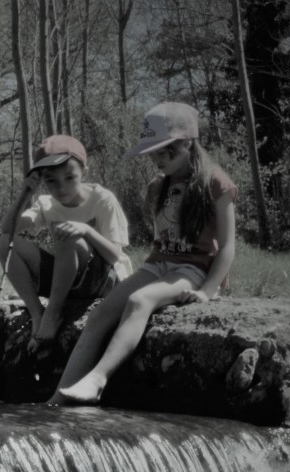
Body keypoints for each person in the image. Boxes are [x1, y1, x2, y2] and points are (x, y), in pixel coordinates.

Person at [50, 102, 237, 405]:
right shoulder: (157, 187)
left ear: (187, 143)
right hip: (159, 265)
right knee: (102, 311)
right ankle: (58, 396)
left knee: (140, 301)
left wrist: (207, 290)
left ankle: (97, 380)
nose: (155, 159)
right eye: (153, 153)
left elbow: (228, 245)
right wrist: (145, 273)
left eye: (163, 153)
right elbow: (161, 241)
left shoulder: (216, 182)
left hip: (194, 269)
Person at [0, 134, 132, 347]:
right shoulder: (47, 204)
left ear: (84, 173)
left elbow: (115, 255)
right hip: (67, 281)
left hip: (104, 280)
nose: (61, 188)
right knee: (5, 243)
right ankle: (37, 313)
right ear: (42, 180)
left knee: (68, 236)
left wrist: (85, 230)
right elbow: (7, 230)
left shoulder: (103, 200)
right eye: (51, 181)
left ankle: (53, 313)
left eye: (70, 178)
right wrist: (24, 193)